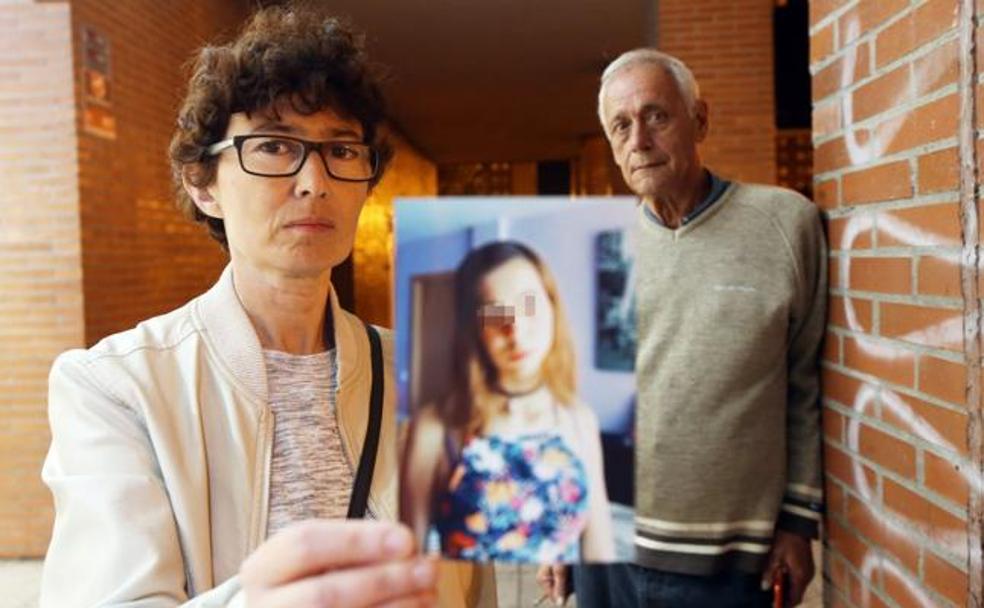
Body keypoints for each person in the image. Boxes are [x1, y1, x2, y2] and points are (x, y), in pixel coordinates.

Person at [39, 6, 486, 606]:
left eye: (343, 151)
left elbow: (470, 588)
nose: (314, 182)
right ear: (204, 183)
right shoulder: (117, 385)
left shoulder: (431, 373)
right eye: (274, 145)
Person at [540, 49, 826, 607]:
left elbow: (805, 383)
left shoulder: (786, 224)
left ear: (699, 121)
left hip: (729, 563)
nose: (639, 140)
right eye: (620, 126)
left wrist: (799, 523)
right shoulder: (595, 249)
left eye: (656, 116)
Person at [401, 241, 616, 564]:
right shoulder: (435, 428)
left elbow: (601, 554)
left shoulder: (579, 418)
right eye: (495, 313)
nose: (515, 329)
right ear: (474, 329)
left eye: (528, 304)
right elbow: (406, 565)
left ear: (552, 306)